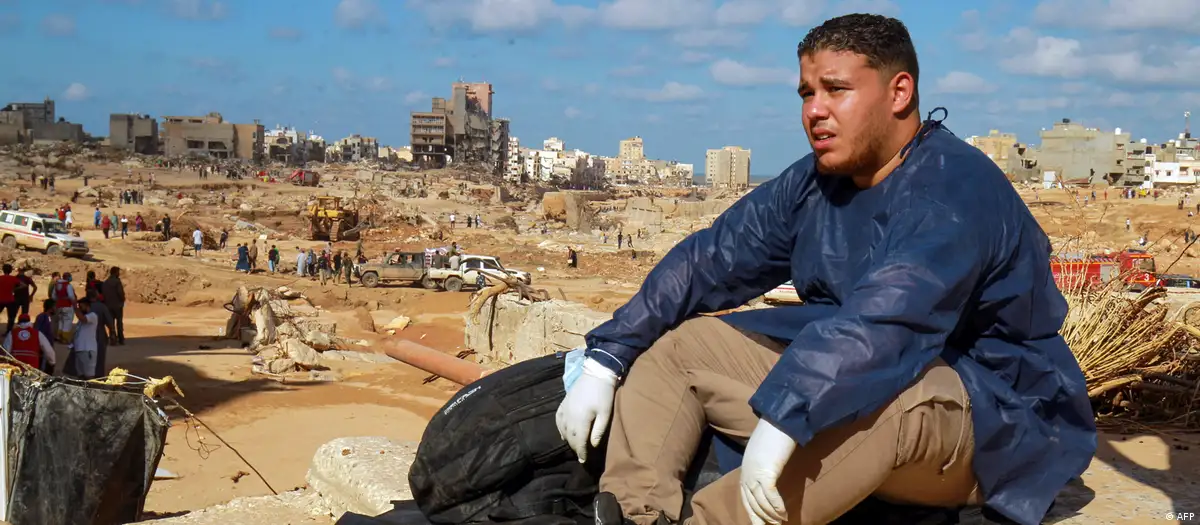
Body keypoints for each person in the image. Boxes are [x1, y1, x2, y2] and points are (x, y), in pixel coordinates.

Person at [559, 14, 1093, 525]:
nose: (815, 110)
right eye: (806, 93)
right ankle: (634, 512)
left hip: (992, 414)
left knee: (885, 403)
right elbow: (711, 259)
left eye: (836, 90)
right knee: (682, 347)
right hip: (850, 378)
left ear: (899, 93)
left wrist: (788, 411)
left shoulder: (952, 189)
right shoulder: (816, 182)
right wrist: (609, 358)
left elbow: (889, 320)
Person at [64, 297, 99, 379]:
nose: (79, 309)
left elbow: (82, 318)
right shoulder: (80, 321)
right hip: (79, 350)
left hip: (87, 350)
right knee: (81, 376)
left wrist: (75, 307)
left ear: (87, 306)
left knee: (89, 376)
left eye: (81, 307)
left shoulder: (92, 316)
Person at [101, 267, 126, 345]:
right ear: (115, 273)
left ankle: (113, 338)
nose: (119, 274)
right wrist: (122, 299)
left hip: (108, 305)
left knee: (111, 323)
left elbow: (103, 294)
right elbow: (120, 292)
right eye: (118, 272)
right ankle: (121, 339)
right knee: (119, 322)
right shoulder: (117, 282)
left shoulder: (105, 282)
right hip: (117, 305)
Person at [0, 264, 20, 334]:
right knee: (11, 317)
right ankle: (8, 331)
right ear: (10, 271)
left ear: (3, 270)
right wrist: (14, 289)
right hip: (10, 300)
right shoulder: (13, 278)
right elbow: (23, 285)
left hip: (0, 299)